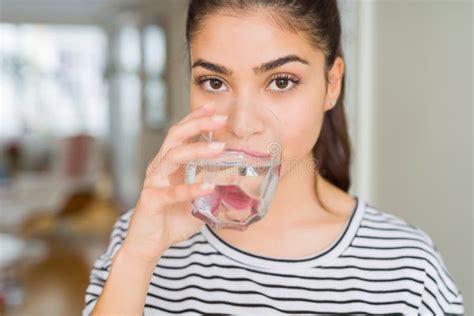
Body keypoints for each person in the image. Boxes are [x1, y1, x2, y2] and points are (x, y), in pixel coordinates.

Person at [83, 1, 464, 315]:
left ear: (332, 84)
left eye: (281, 81)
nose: (242, 124)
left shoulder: (408, 270)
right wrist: (138, 258)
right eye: (214, 82)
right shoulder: (139, 241)